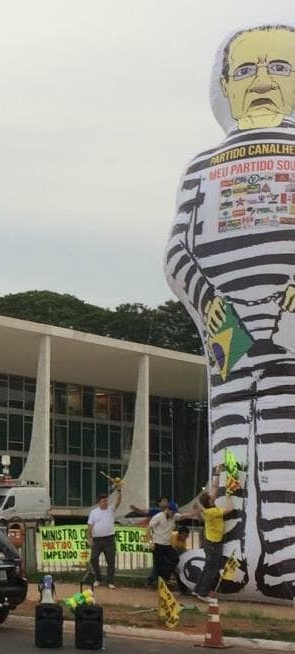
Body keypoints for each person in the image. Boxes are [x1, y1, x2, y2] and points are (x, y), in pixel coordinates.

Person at [164, 24, 295, 602]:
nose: (262, 81)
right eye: (245, 70)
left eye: (279, 68)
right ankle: (234, 556)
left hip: (290, 322)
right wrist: (214, 305)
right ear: (224, 85)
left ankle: (285, 558)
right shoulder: (201, 166)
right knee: (231, 446)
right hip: (227, 328)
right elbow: (176, 252)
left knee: (285, 436)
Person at [193, 465, 236, 602]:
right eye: (211, 497)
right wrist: (229, 493)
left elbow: (215, 488)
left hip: (210, 540)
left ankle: (198, 590)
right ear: (209, 501)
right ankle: (203, 594)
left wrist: (217, 474)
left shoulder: (208, 508)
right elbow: (230, 509)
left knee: (208, 567)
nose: (213, 496)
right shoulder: (213, 512)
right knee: (212, 569)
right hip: (213, 543)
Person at [87, 486, 121, 589]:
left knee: (111, 561)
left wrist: (119, 490)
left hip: (109, 539)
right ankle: (98, 578)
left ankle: (110, 582)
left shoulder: (111, 510)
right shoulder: (94, 512)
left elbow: (118, 501)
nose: (106, 503)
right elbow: (89, 526)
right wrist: (89, 538)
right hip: (97, 540)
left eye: (106, 501)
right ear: (99, 502)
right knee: (93, 559)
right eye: (104, 501)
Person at [147, 500, 182, 589]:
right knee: (159, 566)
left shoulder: (174, 516)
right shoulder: (158, 517)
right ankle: (153, 582)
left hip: (166, 544)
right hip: (157, 544)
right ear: (168, 510)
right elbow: (148, 528)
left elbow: (185, 516)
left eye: (174, 513)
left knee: (175, 559)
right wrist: (150, 542)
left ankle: (165, 578)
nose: (173, 514)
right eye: (172, 512)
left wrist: (195, 512)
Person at [171, 525, 191, 595]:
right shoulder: (172, 537)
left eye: (187, 537)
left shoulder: (183, 542)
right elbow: (171, 553)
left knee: (179, 571)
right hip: (165, 553)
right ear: (180, 534)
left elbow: (183, 553)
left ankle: (184, 590)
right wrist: (175, 565)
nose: (186, 538)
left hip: (173, 555)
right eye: (185, 536)